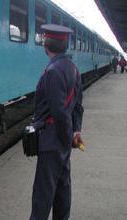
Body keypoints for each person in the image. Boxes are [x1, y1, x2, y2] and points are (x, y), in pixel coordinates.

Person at [30, 24, 84, 220]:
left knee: (42, 195)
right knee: (62, 189)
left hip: (53, 141)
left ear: (46, 44)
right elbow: (77, 106)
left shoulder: (52, 71)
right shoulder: (74, 69)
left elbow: (59, 112)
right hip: (64, 141)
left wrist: (65, 137)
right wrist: (75, 131)